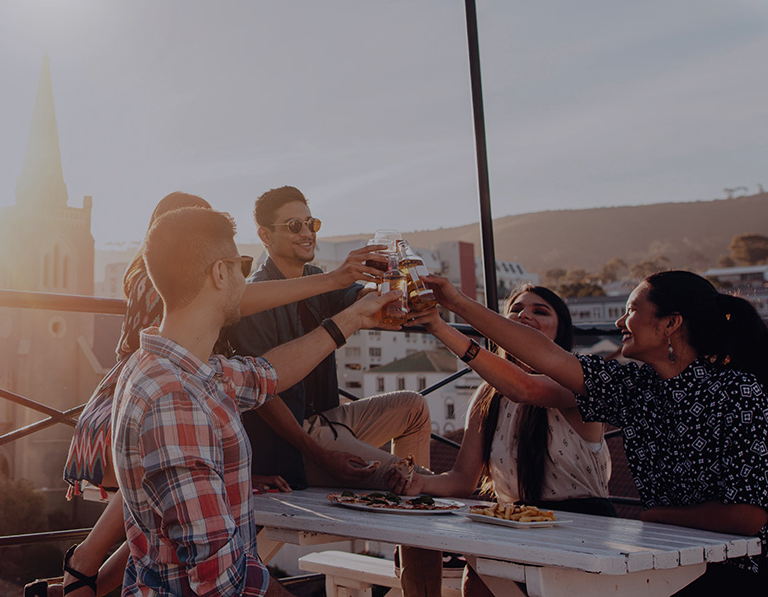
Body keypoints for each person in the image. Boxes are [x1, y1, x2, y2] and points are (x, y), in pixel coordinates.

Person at [44, 192, 388, 597]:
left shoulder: (186, 371)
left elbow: (267, 373)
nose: (250, 277)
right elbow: (221, 582)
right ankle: (82, 568)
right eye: (242, 267)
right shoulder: (177, 401)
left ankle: (81, 575)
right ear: (220, 275)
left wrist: (350, 319)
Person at [420, 270, 768, 597]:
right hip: (679, 566)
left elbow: (748, 517)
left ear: (671, 323)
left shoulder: (737, 391)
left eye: (631, 310)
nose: (619, 322)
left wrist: (655, 517)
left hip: (760, 575)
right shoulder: (636, 388)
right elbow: (543, 356)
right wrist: (454, 305)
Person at [221, 186, 440, 597]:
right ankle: (420, 512)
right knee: (416, 486)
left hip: (327, 422)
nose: (307, 231)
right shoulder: (255, 297)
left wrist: (397, 288)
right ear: (265, 236)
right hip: (290, 442)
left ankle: (412, 527)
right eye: (293, 225)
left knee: (414, 407)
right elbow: (263, 396)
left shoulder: (317, 280)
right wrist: (320, 454)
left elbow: (364, 301)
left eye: (311, 222)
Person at [389, 284, 612, 597]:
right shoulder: (487, 395)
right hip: (515, 525)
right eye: (516, 310)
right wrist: (419, 484)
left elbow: (524, 388)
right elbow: (463, 480)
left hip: (580, 530)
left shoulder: (575, 382)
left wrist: (440, 325)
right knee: (476, 580)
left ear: (560, 331)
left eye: (540, 311)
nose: (524, 315)